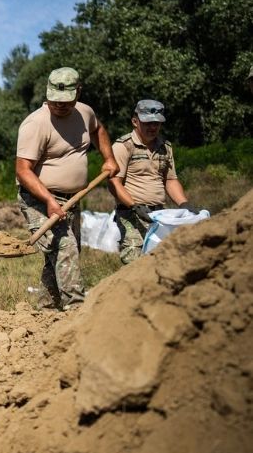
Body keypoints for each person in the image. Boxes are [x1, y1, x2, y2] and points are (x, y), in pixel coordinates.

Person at [15, 67, 118, 310]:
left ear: (78, 93)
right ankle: (77, 311)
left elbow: (98, 130)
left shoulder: (85, 113)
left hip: (74, 198)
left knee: (61, 255)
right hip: (38, 199)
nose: (59, 106)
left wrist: (109, 157)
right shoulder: (35, 124)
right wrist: (50, 201)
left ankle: (47, 310)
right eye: (54, 101)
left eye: (66, 101)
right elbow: (23, 170)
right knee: (65, 249)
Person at [108, 100, 195, 264]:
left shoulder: (165, 147)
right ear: (135, 121)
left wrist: (184, 204)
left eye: (156, 123)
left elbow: (170, 180)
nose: (152, 127)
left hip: (158, 214)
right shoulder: (124, 146)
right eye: (147, 123)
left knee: (159, 260)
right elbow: (114, 183)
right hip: (131, 213)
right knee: (134, 260)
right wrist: (134, 205)